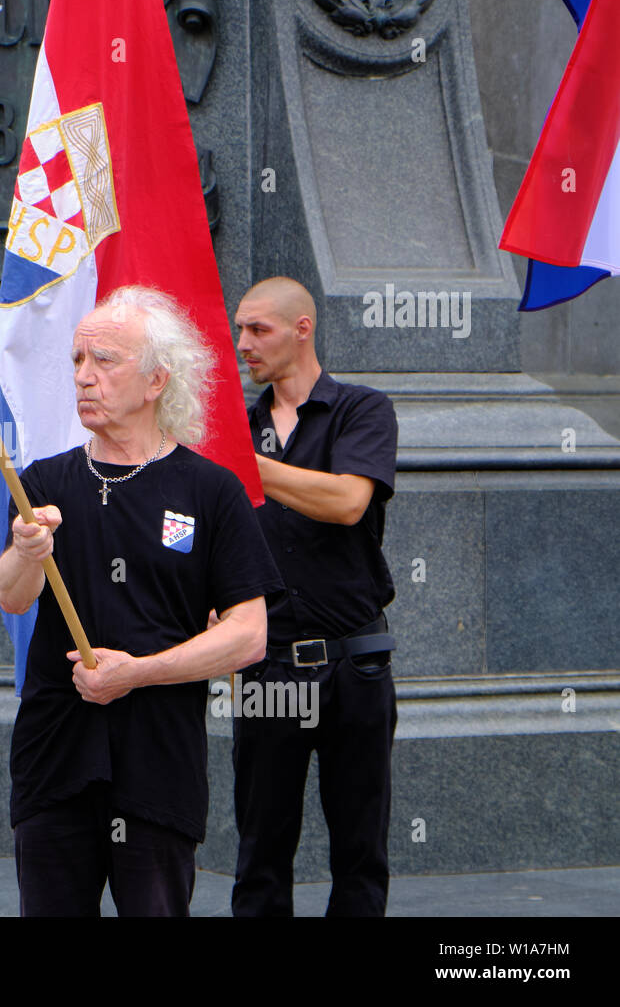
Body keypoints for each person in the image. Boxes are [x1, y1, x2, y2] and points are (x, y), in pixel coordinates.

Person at [0, 284, 283, 917]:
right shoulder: (44, 483)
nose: (84, 377)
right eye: (77, 360)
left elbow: (249, 635)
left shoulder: (210, 491)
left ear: (156, 381)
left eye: (105, 360)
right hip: (55, 759)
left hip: (157, 763)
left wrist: (140, 674)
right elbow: (12, 598)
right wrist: (25, 552)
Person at [230, 276, 399, 917]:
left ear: (303, 329)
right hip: (267, 662)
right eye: (239, 329)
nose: (244, 343)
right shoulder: (239, 424)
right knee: (260, 851)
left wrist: (242, 464)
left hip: (355, 663)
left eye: (258, 330)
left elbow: (348, 501)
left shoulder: (361, 409)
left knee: (359, 852)